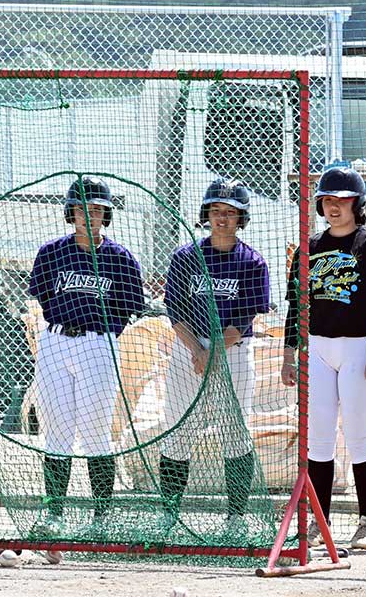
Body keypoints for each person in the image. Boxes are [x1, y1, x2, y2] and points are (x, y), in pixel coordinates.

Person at [27, 177, 145, 533]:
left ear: (105, 214)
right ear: (71, 212)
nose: (89, 216)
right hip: (56, 341)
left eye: (96, 209)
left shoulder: (120, 257)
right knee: (57, 431)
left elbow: (129, 307)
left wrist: (102, 335)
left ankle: (101, 517)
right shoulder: (51, 252)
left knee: (96, 432)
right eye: (82, 209)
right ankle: (54, 514)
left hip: (98, 343)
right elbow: (42, 297)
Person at [158, 179, 270, 532]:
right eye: (216, 210)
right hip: (188, 350)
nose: (222, 218)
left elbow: (247, 316)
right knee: (178, 430)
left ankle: (236, 518)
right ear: (206, 214)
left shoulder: (252, 261)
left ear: (241, 218)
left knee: (235, 432)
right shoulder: (185, 256)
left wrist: (214, 351)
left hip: (233, 351)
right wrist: (197, 350)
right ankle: (168, 515)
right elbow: (175, 311)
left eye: (231, 212)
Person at [281, 166, 366, 550]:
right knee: (318, 438)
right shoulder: (308, 247)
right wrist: (288, 353)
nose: (334, 206)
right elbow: (295, 306)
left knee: (359, 434)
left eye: (342, 200)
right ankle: (318, 522)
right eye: (327, 200)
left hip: (360, 346)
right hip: (317, 348)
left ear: (357, 203)